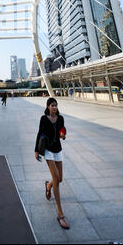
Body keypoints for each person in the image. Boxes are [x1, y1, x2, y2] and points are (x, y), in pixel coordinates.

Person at [34, 97, 69, 230]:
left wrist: (63, 135)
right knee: (56, 178)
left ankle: (48, 186)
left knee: (59, 179)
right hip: (48, 150)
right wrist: (36, 150)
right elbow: (39, 133)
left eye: (55, 105)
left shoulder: (60, 118)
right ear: (48, 106)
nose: (54, 107)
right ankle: (60, 214)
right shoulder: (44, 119)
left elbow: (63, 131)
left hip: (58, 150)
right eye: (52, 105)